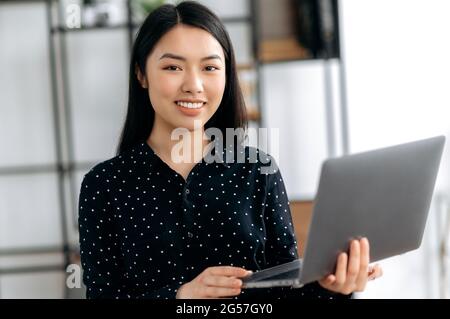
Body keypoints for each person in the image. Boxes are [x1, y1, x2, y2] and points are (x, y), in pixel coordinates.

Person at [78, 1, 382, 299]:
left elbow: (286, 289)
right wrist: (181, 297)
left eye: (210, 67)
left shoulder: (257, 169)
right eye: (173, 67)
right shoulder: (104, 185)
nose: (194, 85)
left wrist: (332, 288)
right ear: (141, 74)